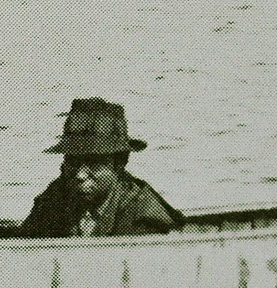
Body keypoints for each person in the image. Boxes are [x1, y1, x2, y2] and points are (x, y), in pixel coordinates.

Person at [21, 98, 183, 237]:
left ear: (119, 164)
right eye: (72, 161)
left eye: (93, 162)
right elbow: (26, 250)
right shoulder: (54, 199)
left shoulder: (144, 216)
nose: (80, 175)